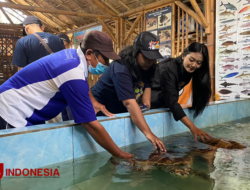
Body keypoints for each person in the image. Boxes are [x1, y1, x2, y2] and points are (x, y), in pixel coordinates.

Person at [0, 30, 133, 160]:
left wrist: (93, 102)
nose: (106, 65)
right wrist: (120, 154)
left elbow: (83, 82)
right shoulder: (72, 71)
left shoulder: (73, 57)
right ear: (90, 53)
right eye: (105, 59)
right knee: (15, 161)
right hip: (10, 110)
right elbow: (90, 124)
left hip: (24, 110)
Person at [90, 31, 166, 152]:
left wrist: (146, 104)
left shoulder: (149, 66)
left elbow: (147, 84)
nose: (150, 61)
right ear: (136, 52)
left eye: (153, 57)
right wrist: (149, 134)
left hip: (118, 109)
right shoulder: (121, 67)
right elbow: (129, 103)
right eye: (146, 57)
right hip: (99, 109)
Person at [151, 42, 212, 142]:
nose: (194, 65)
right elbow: (172, 101)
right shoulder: (168, 69)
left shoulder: (189, 71)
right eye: (191, 60)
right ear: (183, 55)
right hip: (150, 106)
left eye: (199, 63)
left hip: (163, 105)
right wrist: (193, 128)